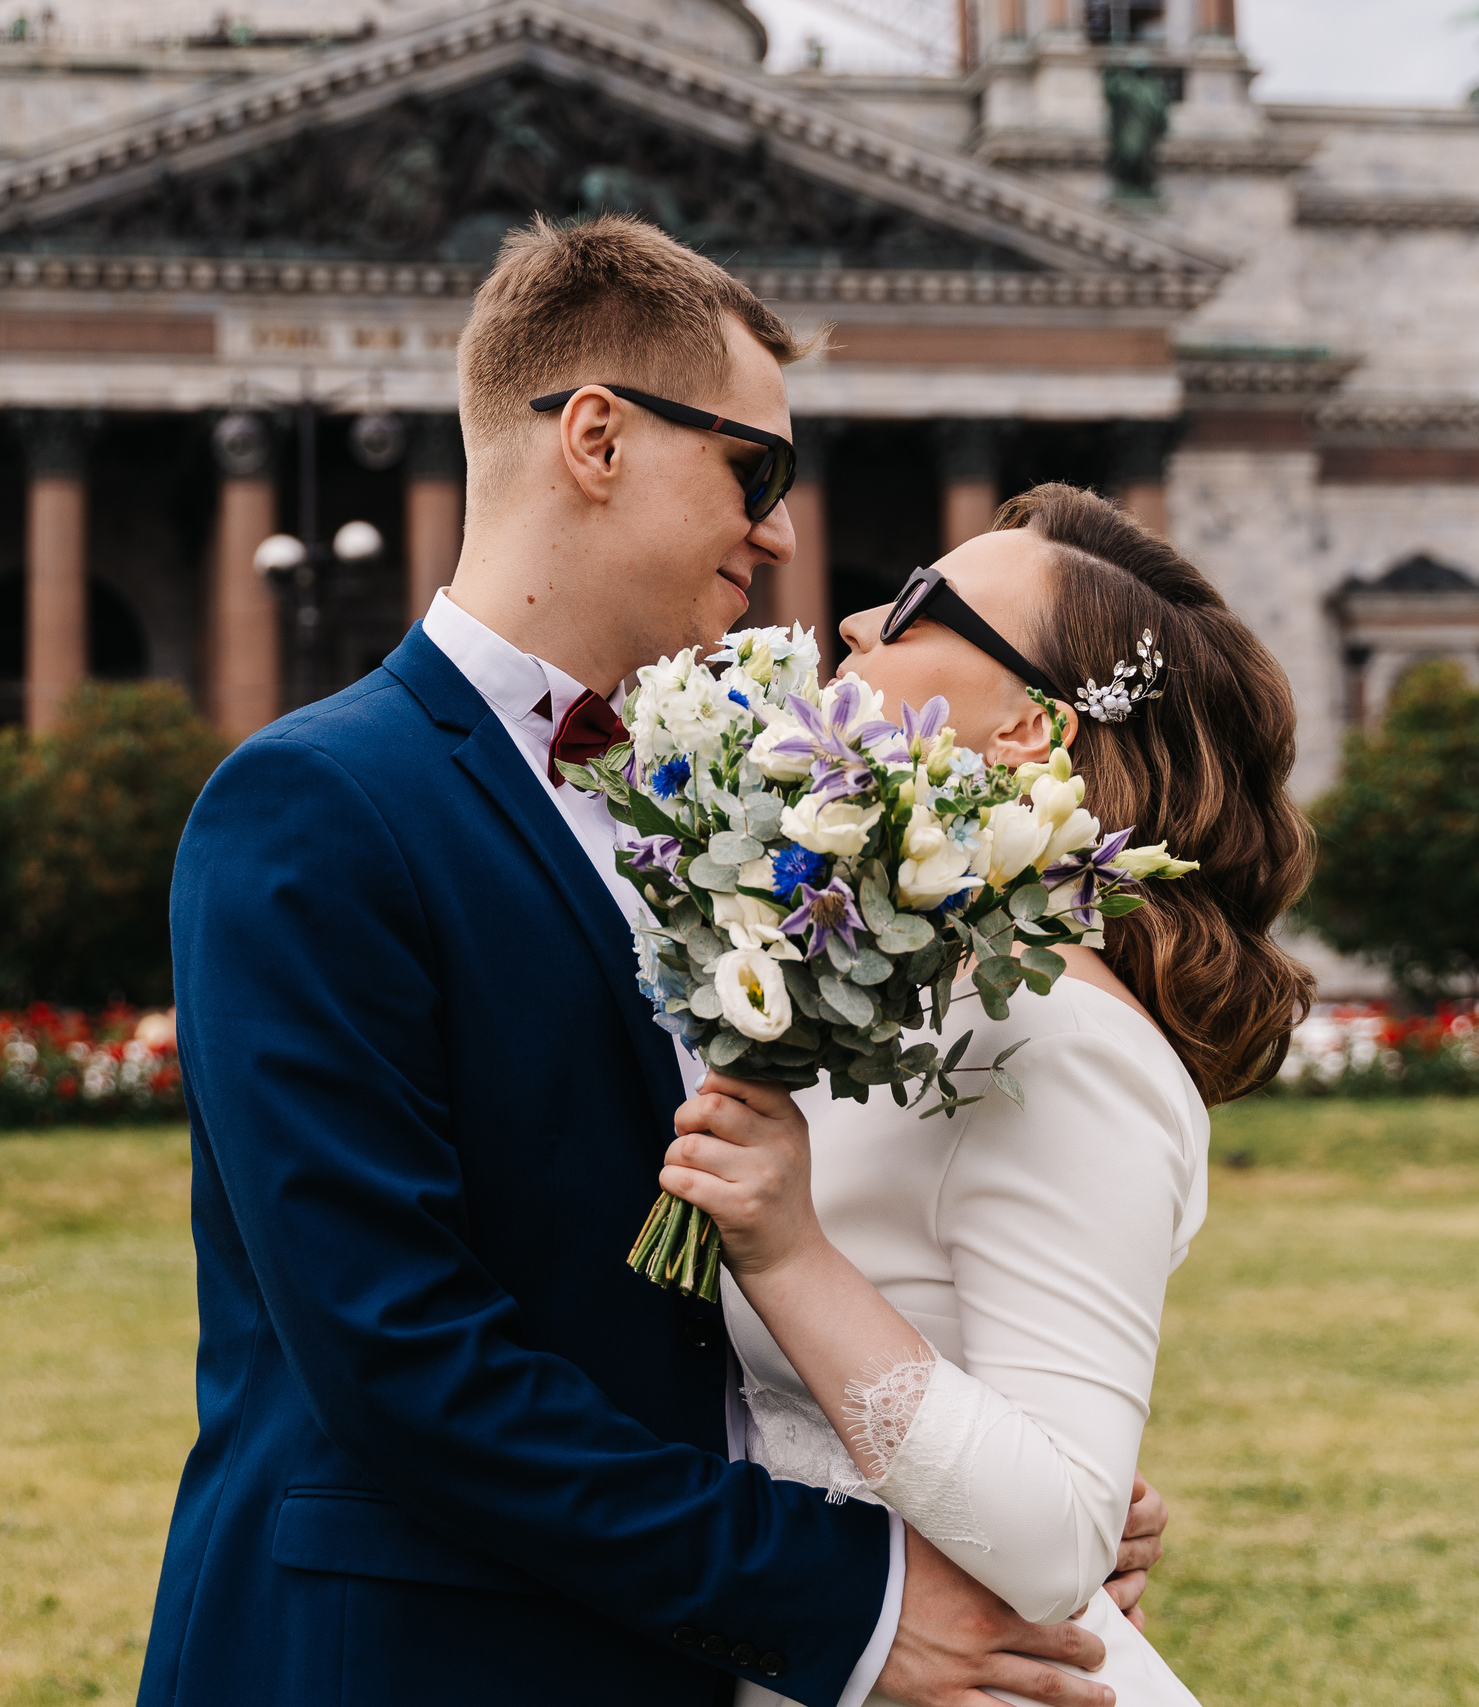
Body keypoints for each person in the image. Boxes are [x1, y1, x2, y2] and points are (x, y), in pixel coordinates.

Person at [139, 220, 1156, 1707]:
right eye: (760, 472)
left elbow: (730, 1277)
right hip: (403, 1658)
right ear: (598, 439)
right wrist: (854, 1592)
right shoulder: (312, 806)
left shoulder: (738, 801)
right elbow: (402, 1352)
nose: (787, 535)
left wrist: (1006, 1492)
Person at [661, 485, 1318, 1704]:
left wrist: (790, 1251)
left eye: (919, 604)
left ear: (1027, 731)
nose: (857, 618)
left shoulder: (1061, 1037)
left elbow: (1061, 1533)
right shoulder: (918, 988)